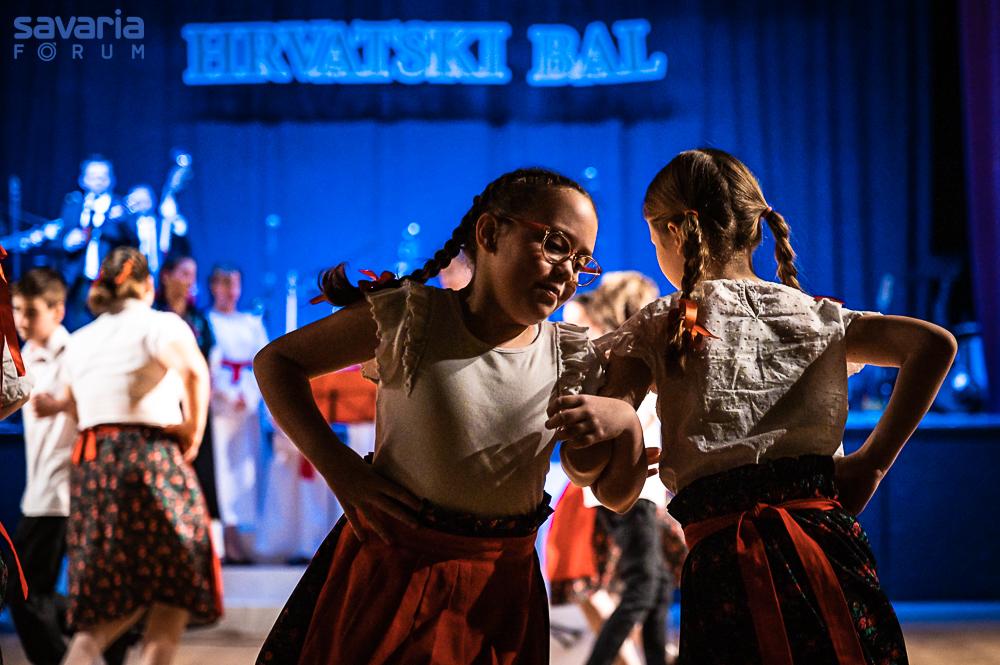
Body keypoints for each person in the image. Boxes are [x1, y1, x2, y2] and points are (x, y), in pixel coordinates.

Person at [254, 167, 648, 664]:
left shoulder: (569, 357)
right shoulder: (411, 319)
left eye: (581, 261)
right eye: (555, 245)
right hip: (397, 577)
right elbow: (277, 362)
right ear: (489, 233)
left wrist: (626, 422)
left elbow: (607, 488)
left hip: (500, 595)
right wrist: (341, 468)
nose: (568, 272)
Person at [578, 148, 956, 664]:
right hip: (830, 549)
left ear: (674, 232)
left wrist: (618, 458)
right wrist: (872, 462)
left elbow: (612, 487)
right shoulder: (815, 315)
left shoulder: (665, 323)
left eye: (653, 239)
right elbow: (933, 344)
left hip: (727, 564)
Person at [59, 247, 221, 665]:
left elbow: (74, 406)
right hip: (146, 461)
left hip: (92, 467)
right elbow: (194, 371)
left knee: (110, 600)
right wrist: (193, 430)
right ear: (149, 285)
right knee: (175, 579)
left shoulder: (79, 339)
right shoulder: (160, 324)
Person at [549, 272, 683, 665]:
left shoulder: (638, 357)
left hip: (646, 492)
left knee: (657, 586)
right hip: (631, 491)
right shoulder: (619, 358)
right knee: (643, 585)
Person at [8, 269, 75, 665]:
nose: (21, 320)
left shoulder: (77, 354)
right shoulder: (24, 357)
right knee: (37, 593)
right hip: (40, 491)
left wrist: (63, 404)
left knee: (25, 594)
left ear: (57, 311)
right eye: (16, 310)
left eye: (30, 311)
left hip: (63, 492)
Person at [154, 254, 221, 538]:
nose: (189, 281)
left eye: (193, 275)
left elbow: (209, 362)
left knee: (202, 469)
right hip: (163, 405)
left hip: (195, 403)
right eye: (183, 274)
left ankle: (205, 537)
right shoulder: (155, 316)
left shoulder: (199, 320)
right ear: (166, 276)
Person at [207, 264, 269, 563]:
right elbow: (209, 364)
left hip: (247, 406)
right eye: (225, 284)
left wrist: (250, 395)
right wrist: (228, 394)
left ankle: (244, 537)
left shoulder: (251, 323)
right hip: (220, 407)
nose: (230, 291)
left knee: (247, 470)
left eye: (235, 284)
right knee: (222, 469)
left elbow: (264, 361)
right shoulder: (208, 321)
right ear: (214, 287)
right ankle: (225, 537)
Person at [57, 156, 137, 331]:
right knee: (78, 330)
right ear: (82, 180)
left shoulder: (121, 208)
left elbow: (134, 243)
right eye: (93, 176)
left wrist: (122, 222)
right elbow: (58, 238)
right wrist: (66, 242)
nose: (98, 181)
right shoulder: (73, 203)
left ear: (112, 179)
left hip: (110, 282)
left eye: (103, 176)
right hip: (79, 281)